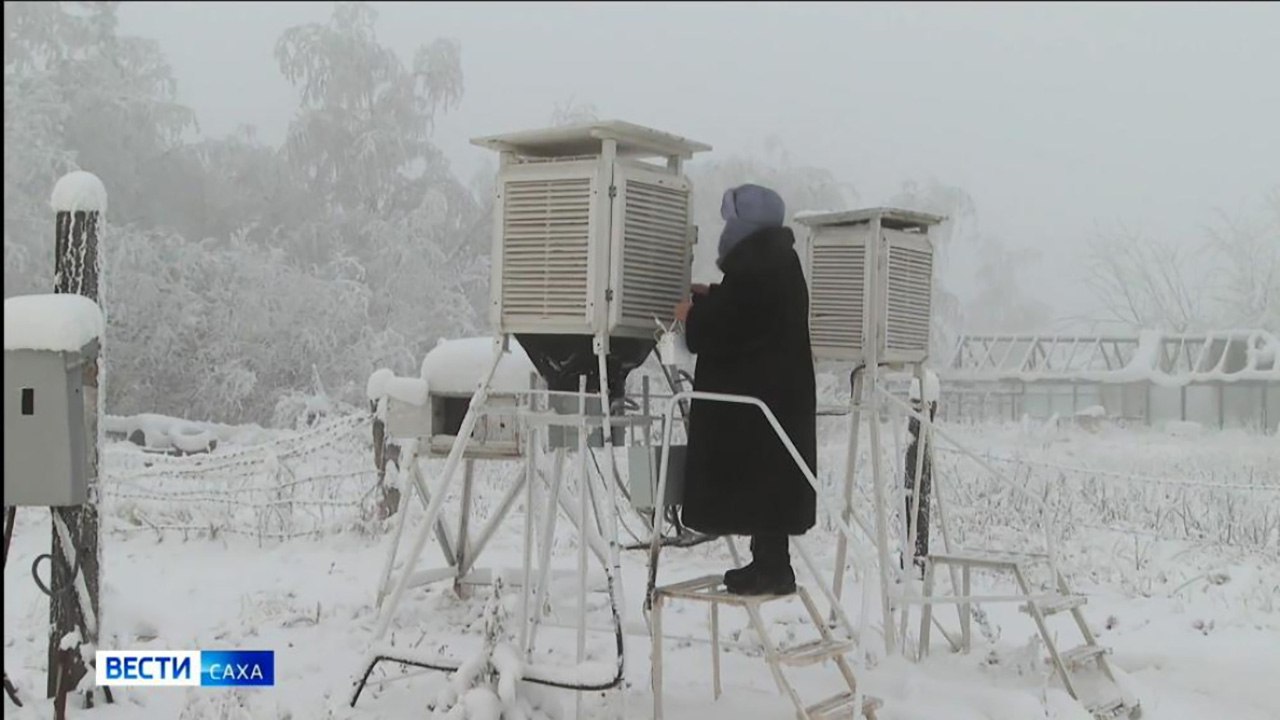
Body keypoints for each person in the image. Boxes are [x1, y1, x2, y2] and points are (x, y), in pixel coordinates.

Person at [673, 183, 817, 596]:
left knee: (760, 479)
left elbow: (735, 324)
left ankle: (771, 569)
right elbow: (751, 309)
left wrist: (694, 316)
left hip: (757, 402)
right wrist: (714, 295)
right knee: (768, 484)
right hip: (774, 398)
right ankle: (770, 565)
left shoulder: (758, 261)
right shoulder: (776, 259)